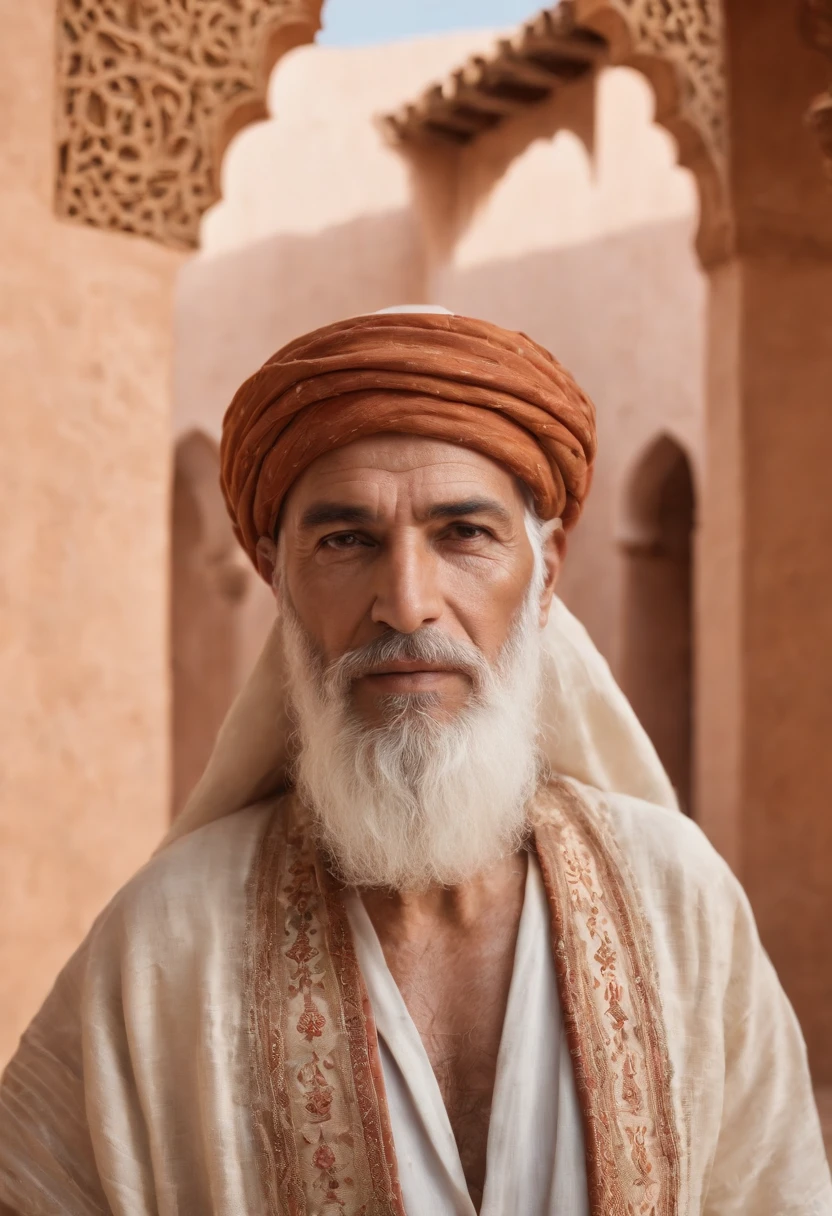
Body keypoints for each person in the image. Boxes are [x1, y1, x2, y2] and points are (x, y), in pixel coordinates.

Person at [0, 307, 829, 1216]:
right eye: (346, 540)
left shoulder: (682, 904)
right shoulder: (163, 944)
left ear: (545, 573)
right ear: (278, 579)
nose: (405, 602)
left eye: (463, 533)